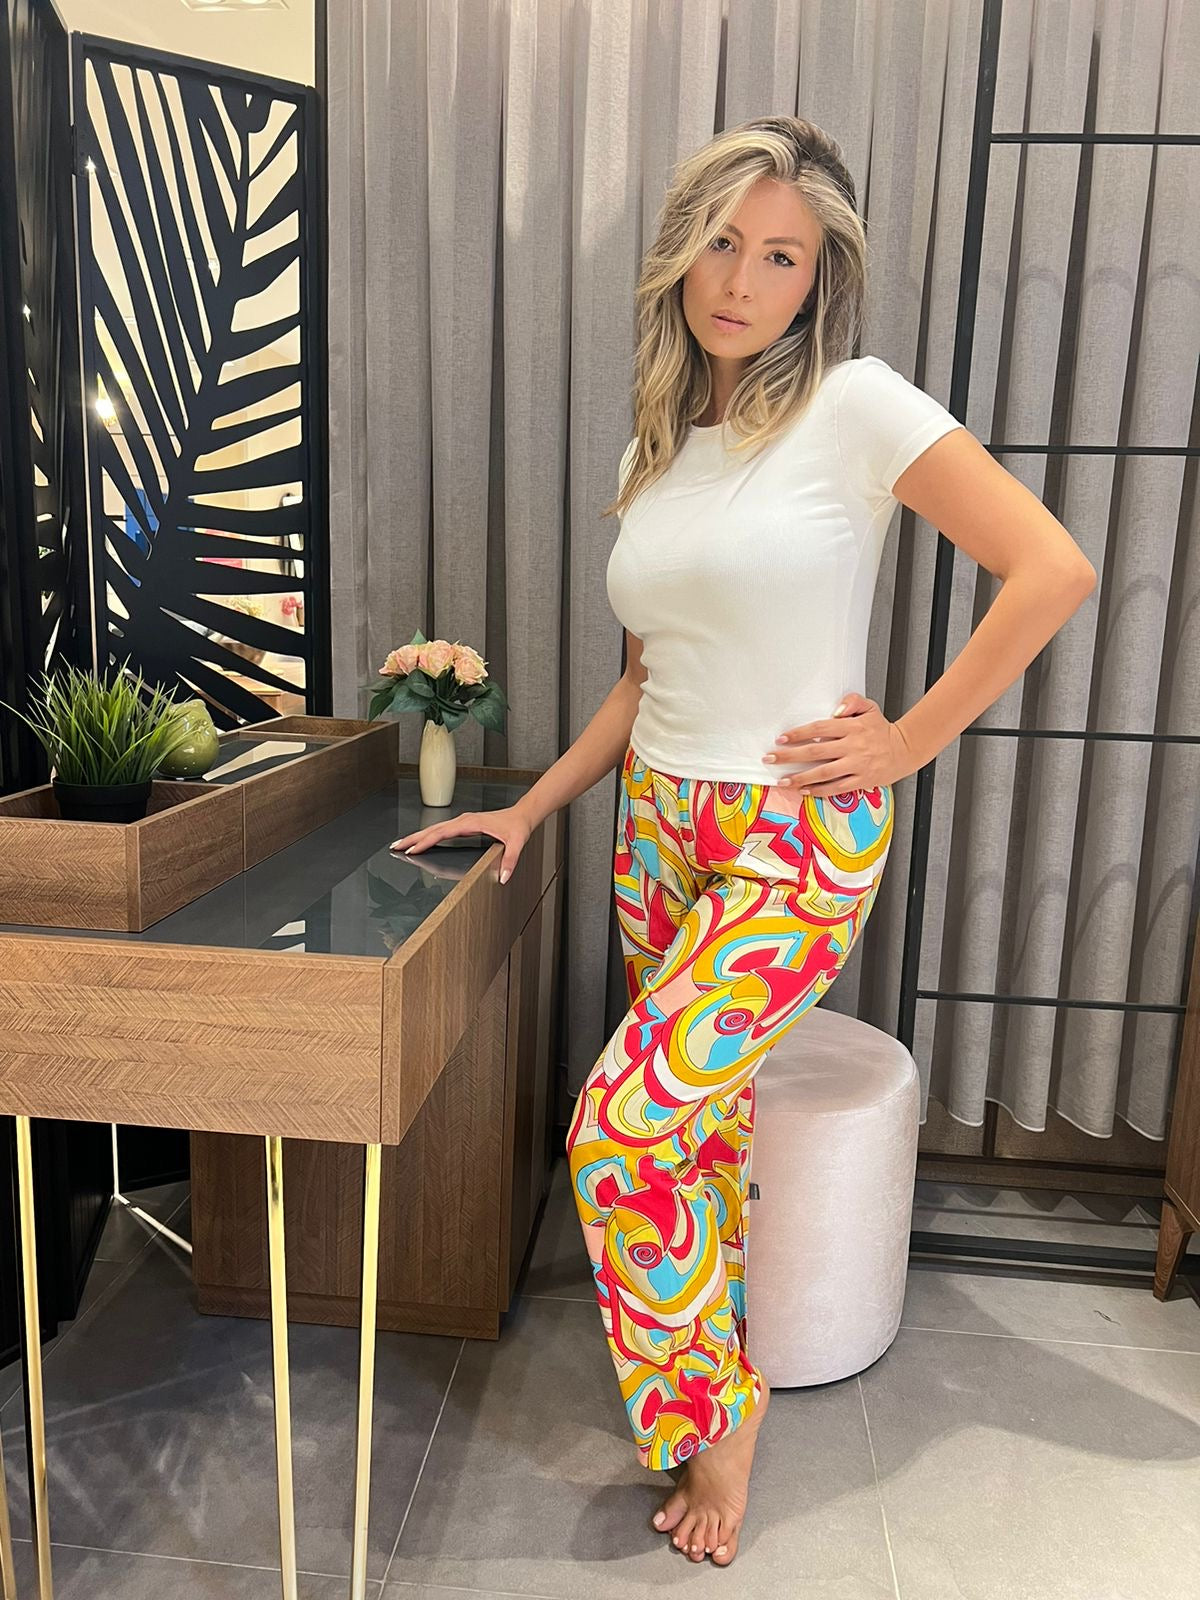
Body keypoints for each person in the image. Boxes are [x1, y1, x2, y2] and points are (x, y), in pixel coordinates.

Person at [392, 115, 1096, 1568]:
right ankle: (710, 1368)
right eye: (724, 240)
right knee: (691, 1134)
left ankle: (723, 1410)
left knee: (619, 1134)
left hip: (793, 833)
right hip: (659, 822)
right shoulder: (668, 440)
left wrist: (908, 739)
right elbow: (646, 676)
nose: (744, 277)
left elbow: (1052, 566)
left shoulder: (856, 404)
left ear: (815, 275)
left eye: (781, 255)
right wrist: (534, 802)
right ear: (683, 245)